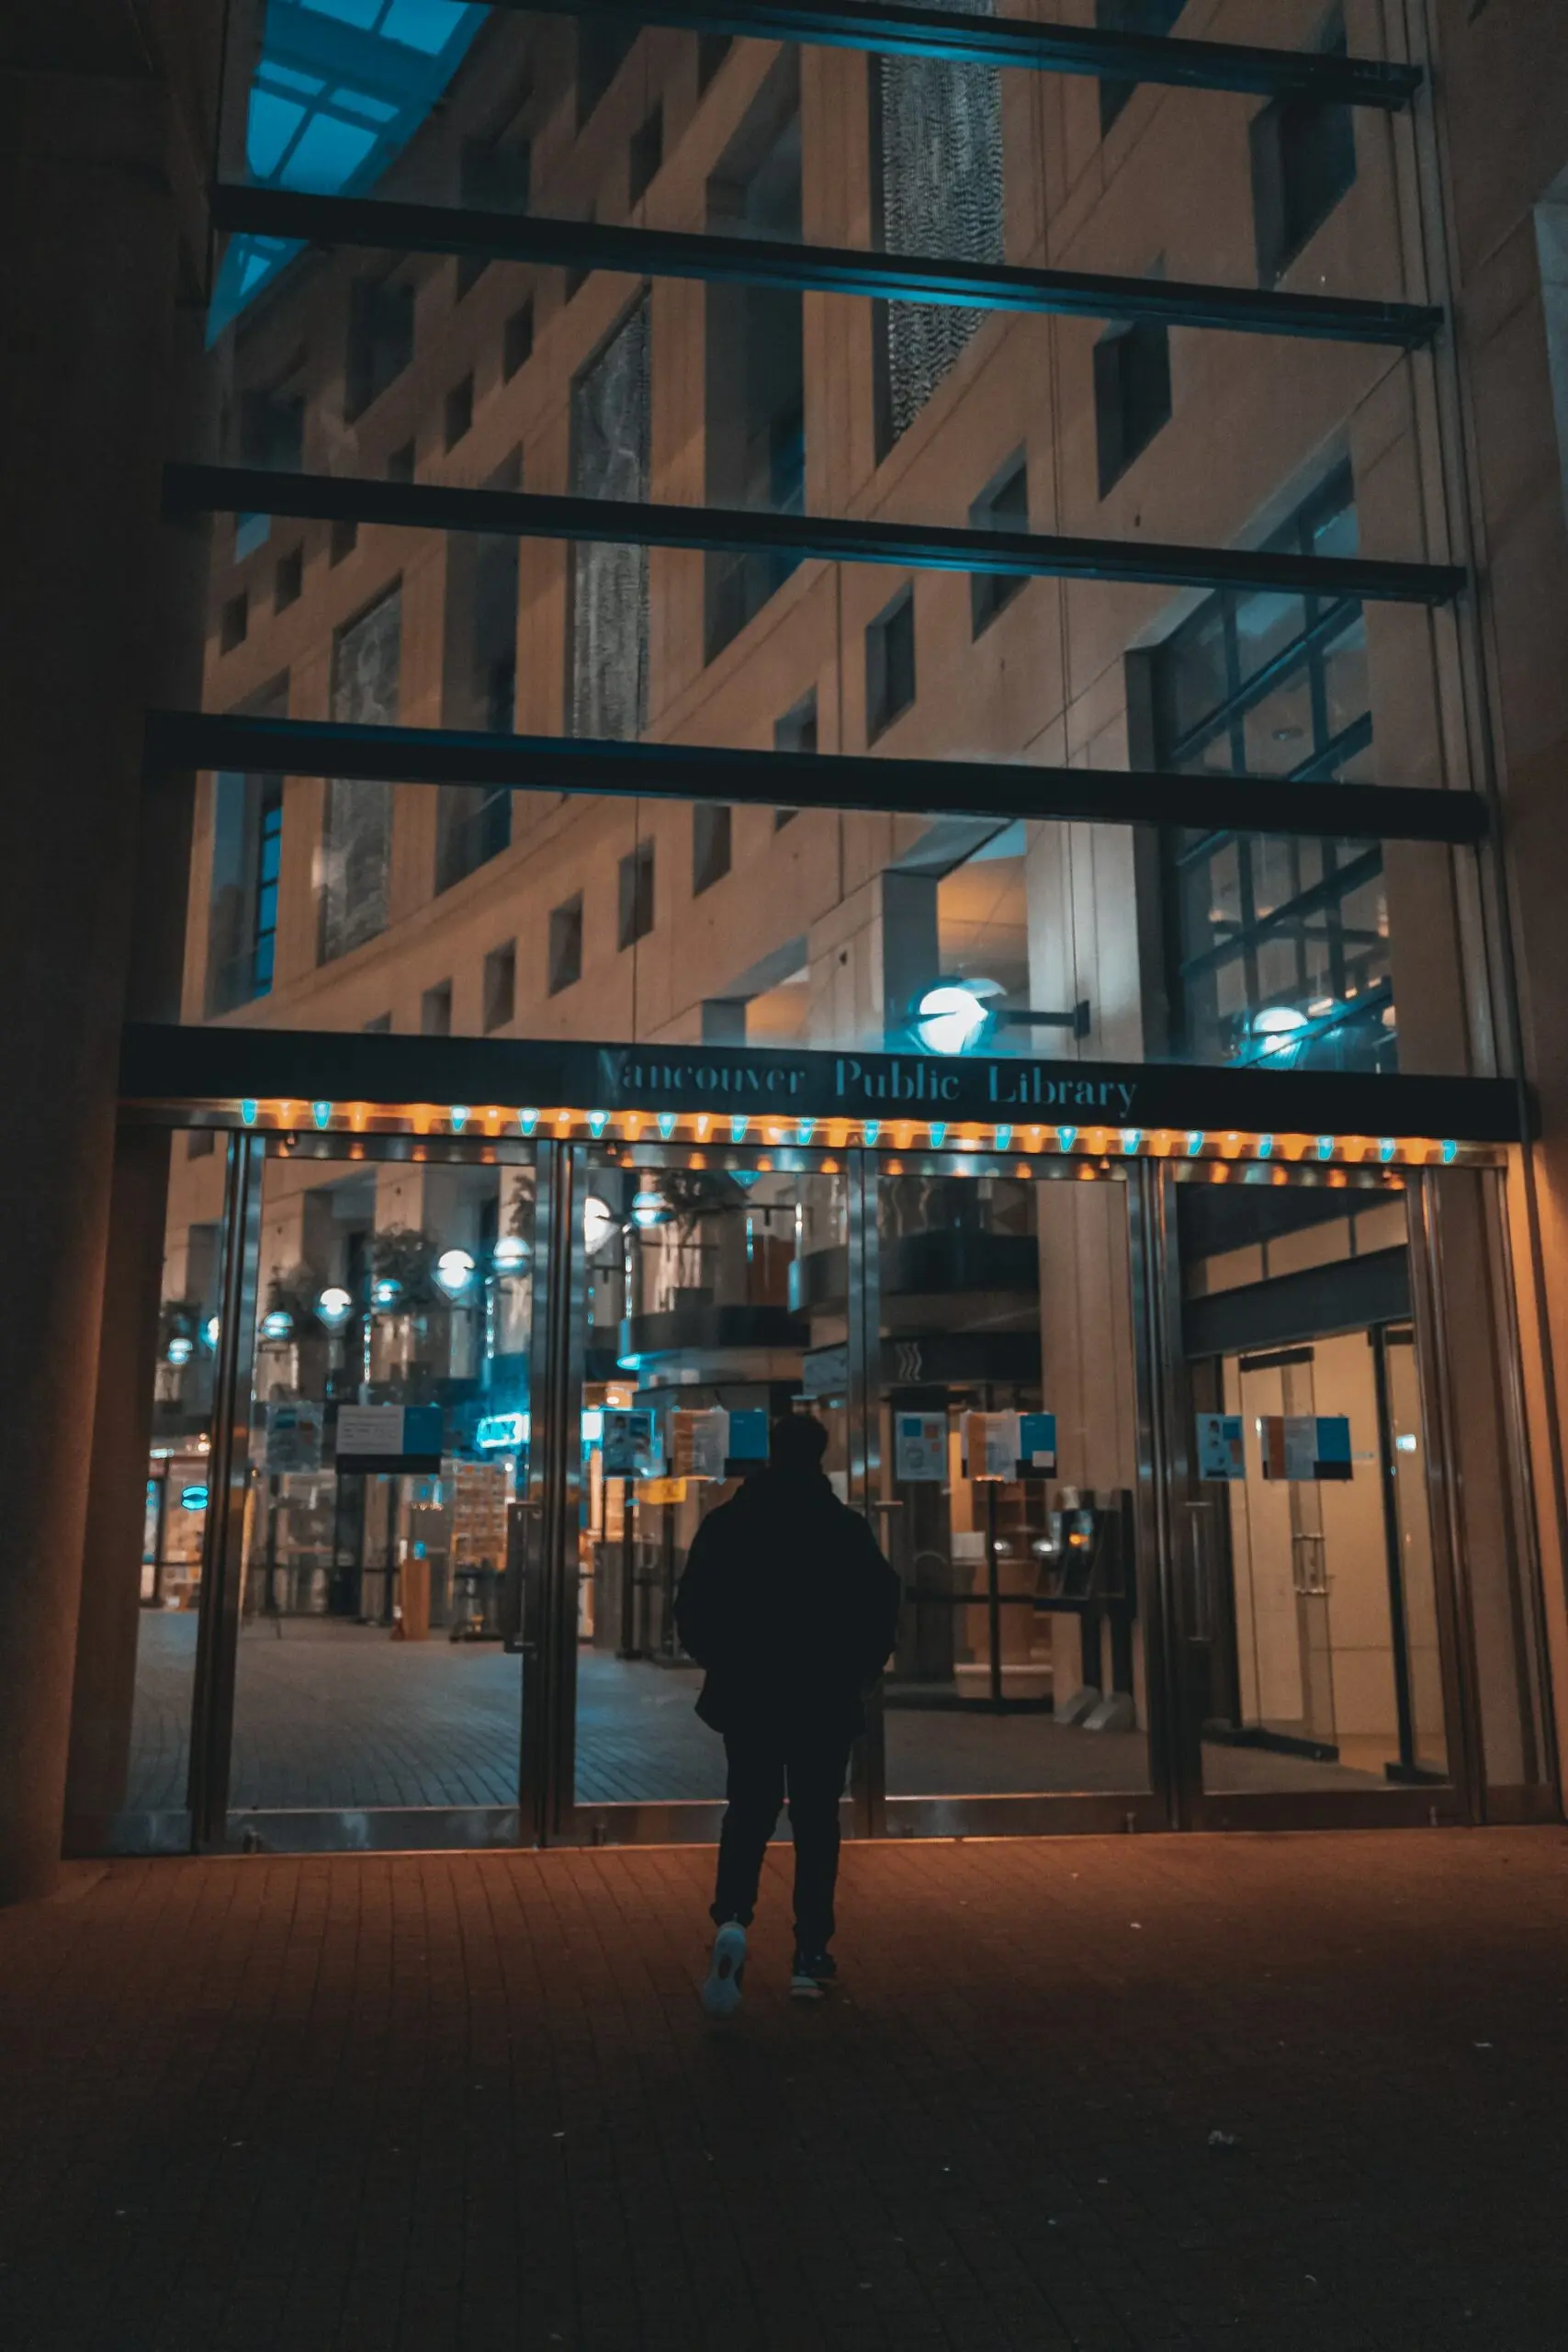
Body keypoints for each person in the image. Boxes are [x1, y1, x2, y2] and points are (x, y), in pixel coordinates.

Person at [674, 1414, 900, 2017]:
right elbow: (881, 1605)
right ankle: (809, 1954)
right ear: (820, 1456)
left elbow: (691, 1607)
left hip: (750, 1695)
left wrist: (724, 1661)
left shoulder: (730, 1523)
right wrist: (859, 1668)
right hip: (821, 1698)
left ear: (767, 1454)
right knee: (816, 1823)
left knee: (747, 1811)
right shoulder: (843, 1529)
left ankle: (732, 1919)